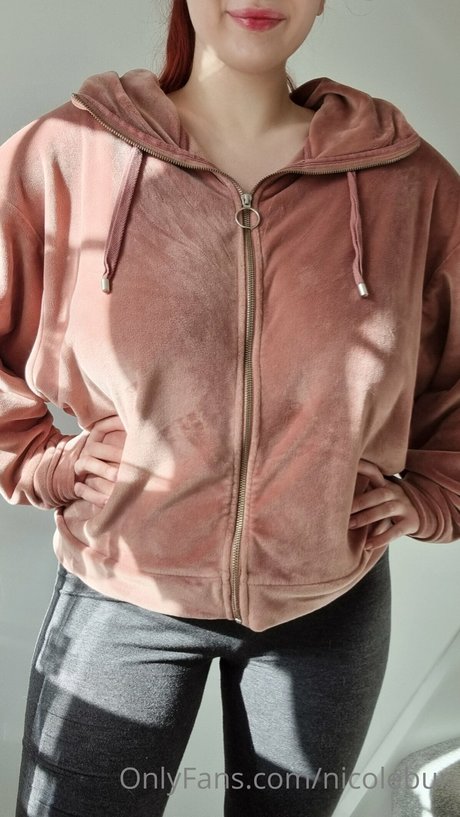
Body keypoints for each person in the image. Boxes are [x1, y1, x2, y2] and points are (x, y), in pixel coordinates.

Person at [1, 1, 459, 815]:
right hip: (124, 594)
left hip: (328, 605)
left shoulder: (408, 182)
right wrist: (42, 461)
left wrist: (437, 492)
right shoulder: (71, 153)